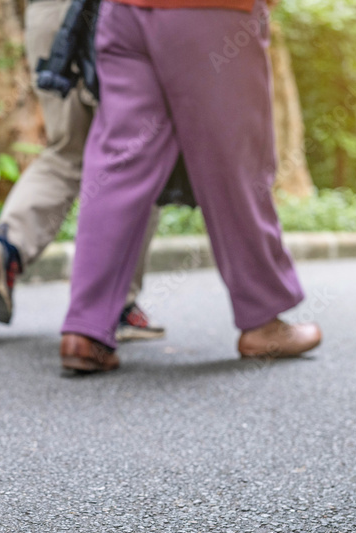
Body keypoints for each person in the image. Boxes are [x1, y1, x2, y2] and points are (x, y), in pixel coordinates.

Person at [59, 0, 322, 372]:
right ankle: (263, 322)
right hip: (210, 10)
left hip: (122, 13)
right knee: (235, 162)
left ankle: (85, 329)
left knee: (120, 164)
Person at [0, 0, 165, 342]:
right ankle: (117, 303)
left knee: (65, 150)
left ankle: (8, 242)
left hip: (46, 15)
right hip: (111, 16)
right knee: (135, 158)